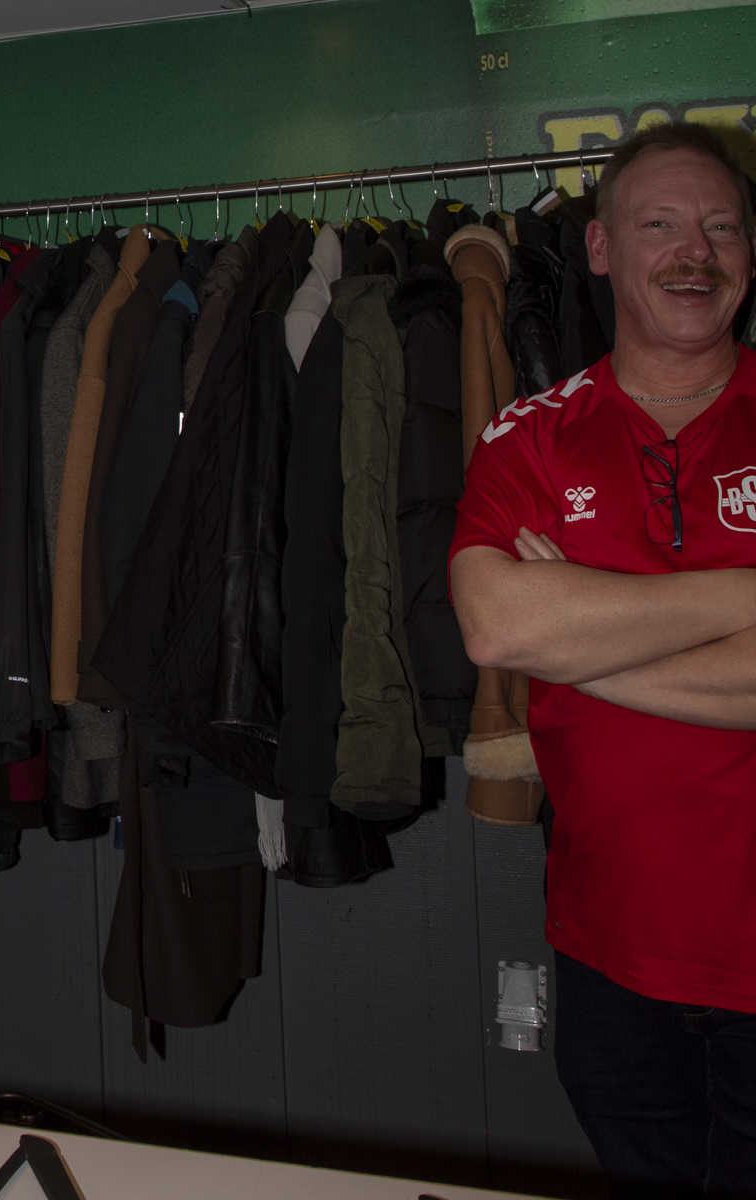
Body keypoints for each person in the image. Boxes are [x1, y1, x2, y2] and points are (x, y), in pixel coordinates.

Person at [451, 122, 756, 1197]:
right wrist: (740, 599)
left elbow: (533, 637)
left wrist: (581, 641)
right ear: (598, 248)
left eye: (722, 227)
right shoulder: (529, 436)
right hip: (607, 964)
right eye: (659, 224)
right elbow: (496, 627)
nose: (694, 252)